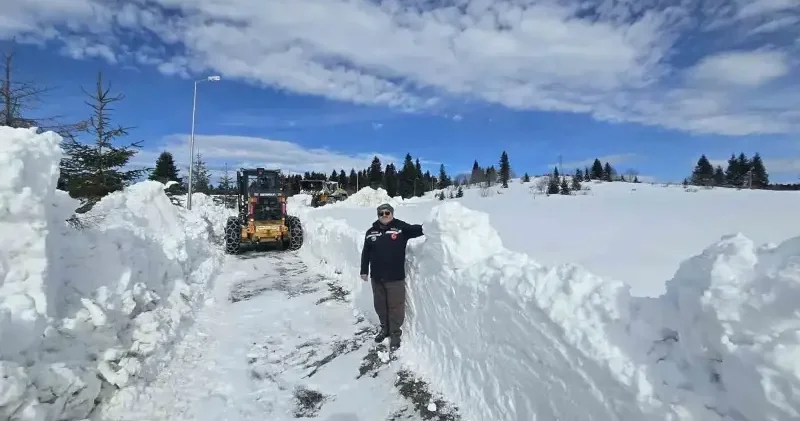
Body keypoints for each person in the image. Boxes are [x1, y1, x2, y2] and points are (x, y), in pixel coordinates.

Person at [360, 202, 424, 350]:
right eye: (381, 213)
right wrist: (364, 270)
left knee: (396, 307)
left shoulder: (400, 228)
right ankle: (384, 329)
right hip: (377, 277)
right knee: (380, 305)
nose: (384, 216)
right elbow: (366, 252)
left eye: (387, 213)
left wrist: (433, 225)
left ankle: (395, 334)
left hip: (395, 277)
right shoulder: (371, 232)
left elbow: (418, 229)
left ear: (392, 213)